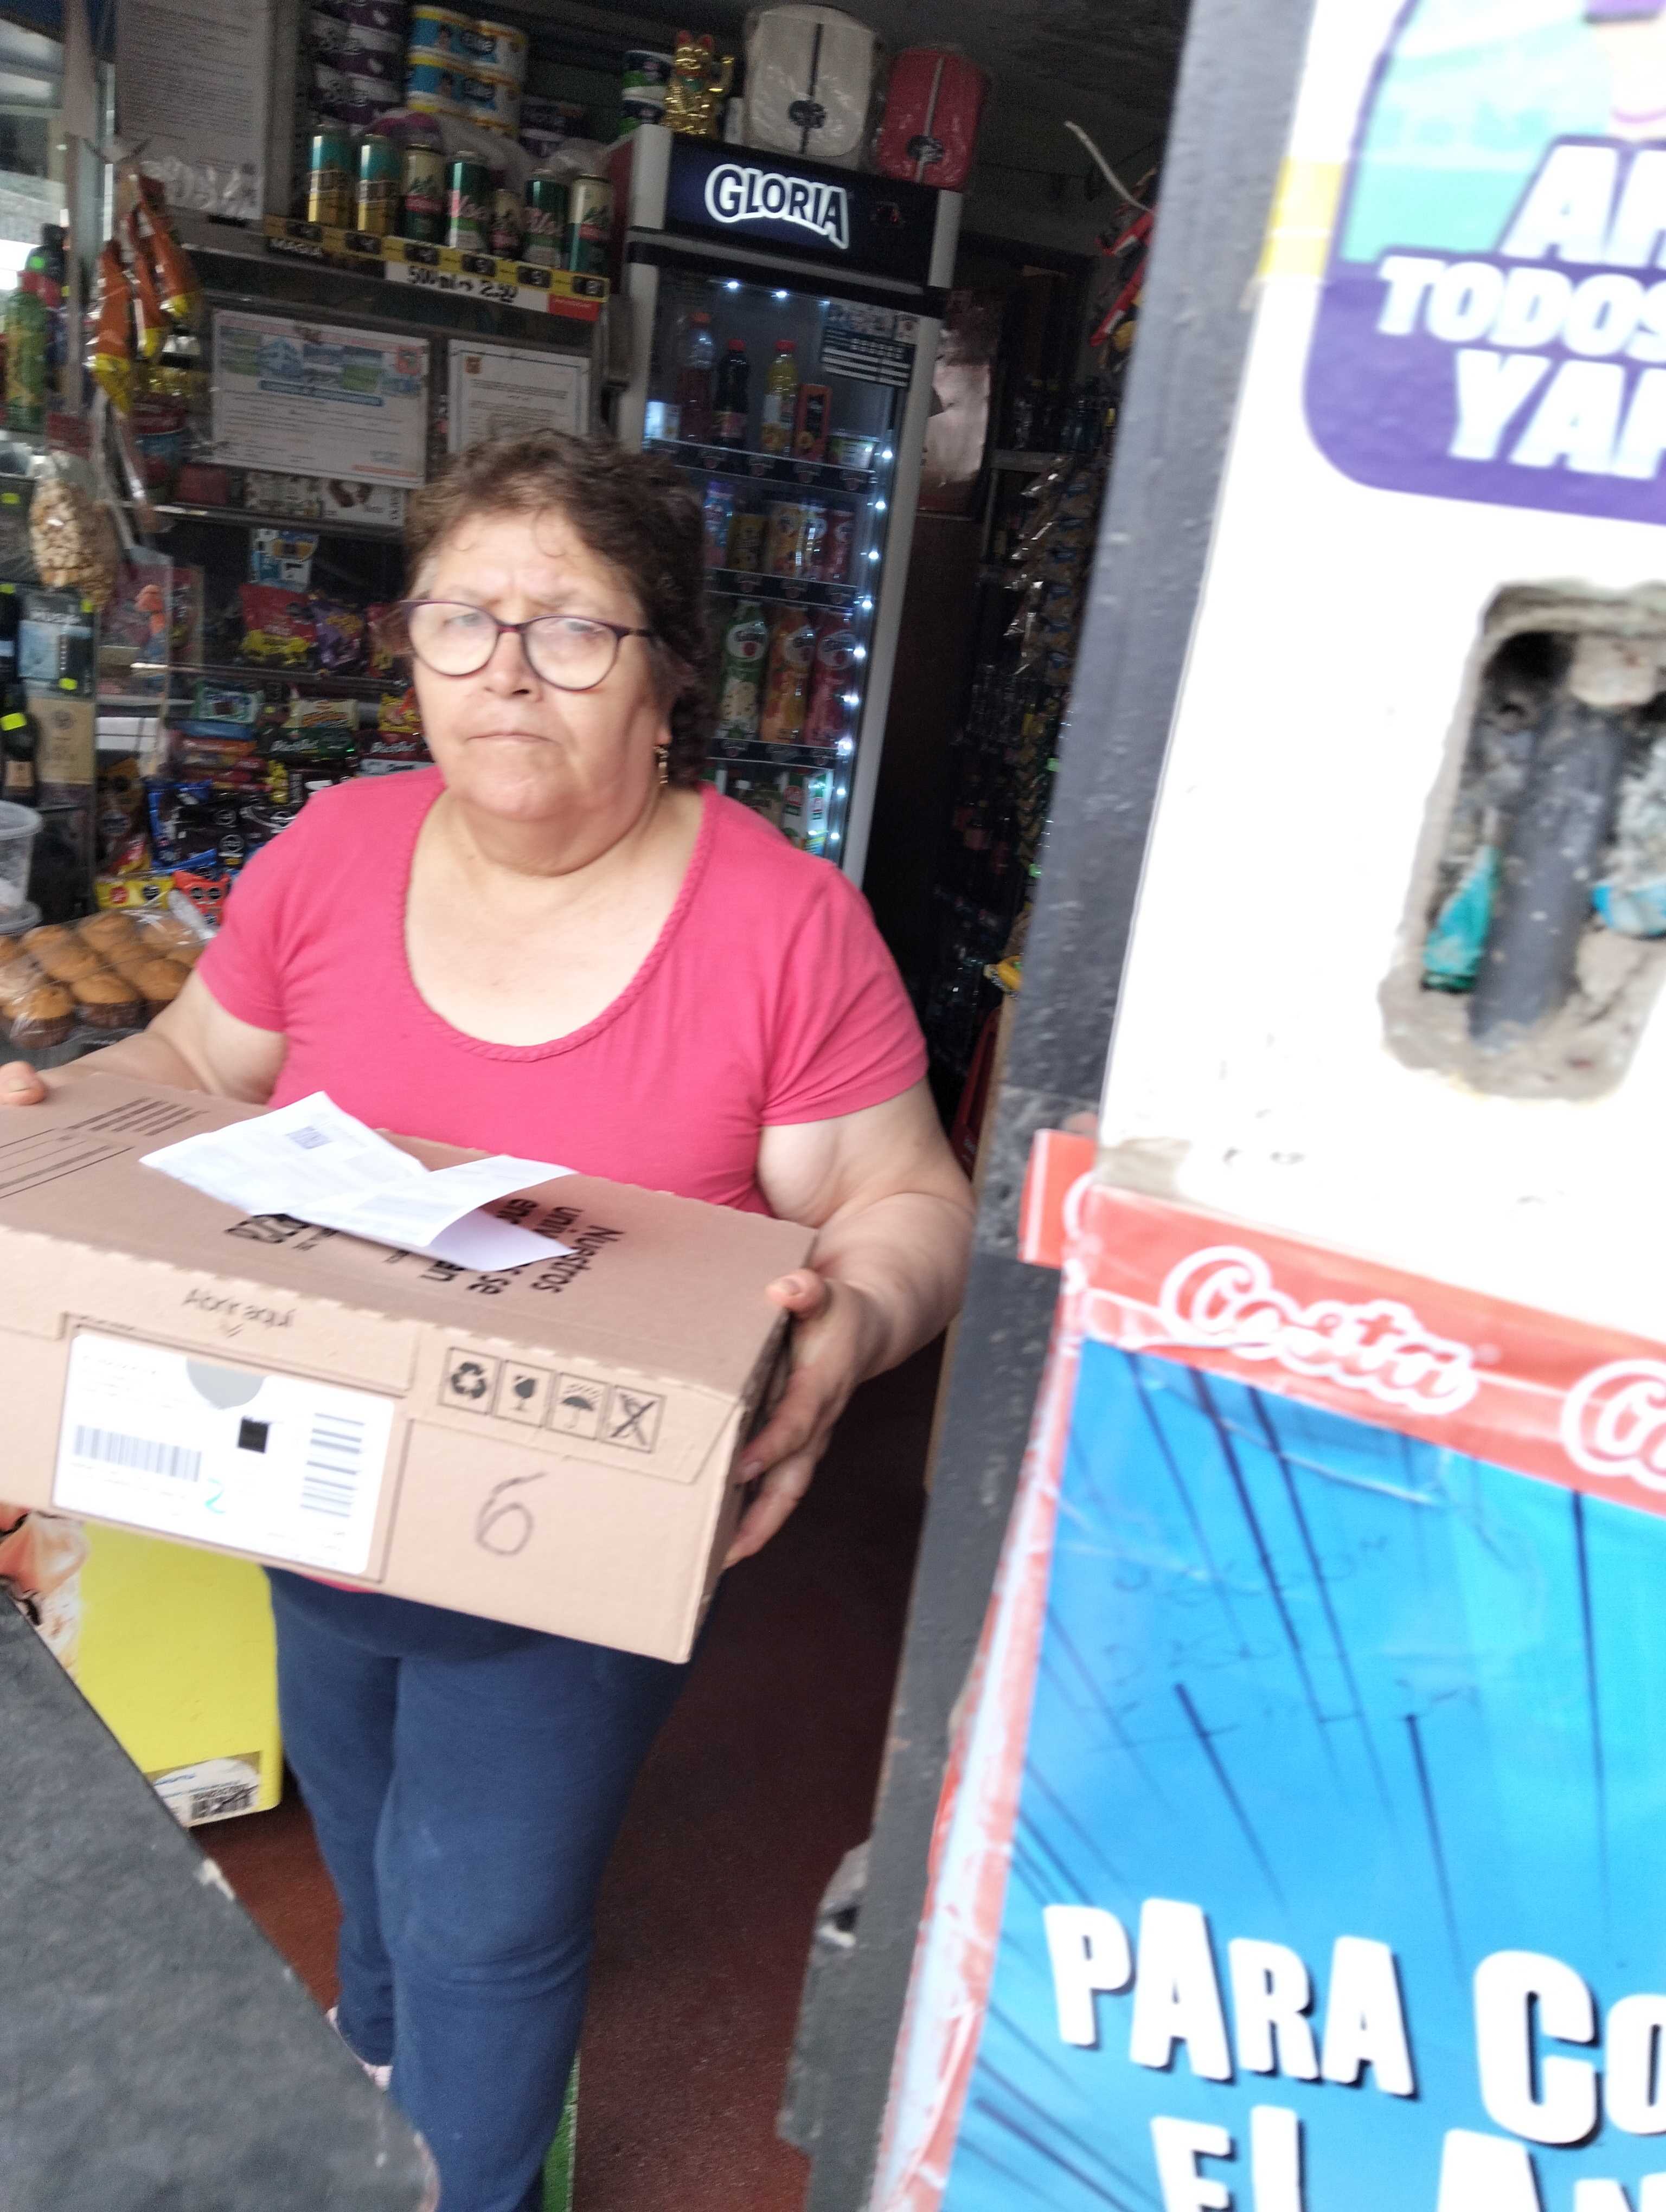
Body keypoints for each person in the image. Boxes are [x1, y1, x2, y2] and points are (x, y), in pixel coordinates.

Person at [0, 431, 973, 2212]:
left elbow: (908, 1198)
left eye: (572, 628)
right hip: (309, 1486)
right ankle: (383, 2081)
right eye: (463, 620)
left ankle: (470, 2182)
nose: (507, 672)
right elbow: (196, 1059)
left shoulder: (778, 922)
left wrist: (854, 1325)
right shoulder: (336, 850)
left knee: (485, 1921)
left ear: (667, 677)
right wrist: (62, 1117)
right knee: (368, 1838)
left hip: (570, 1543)